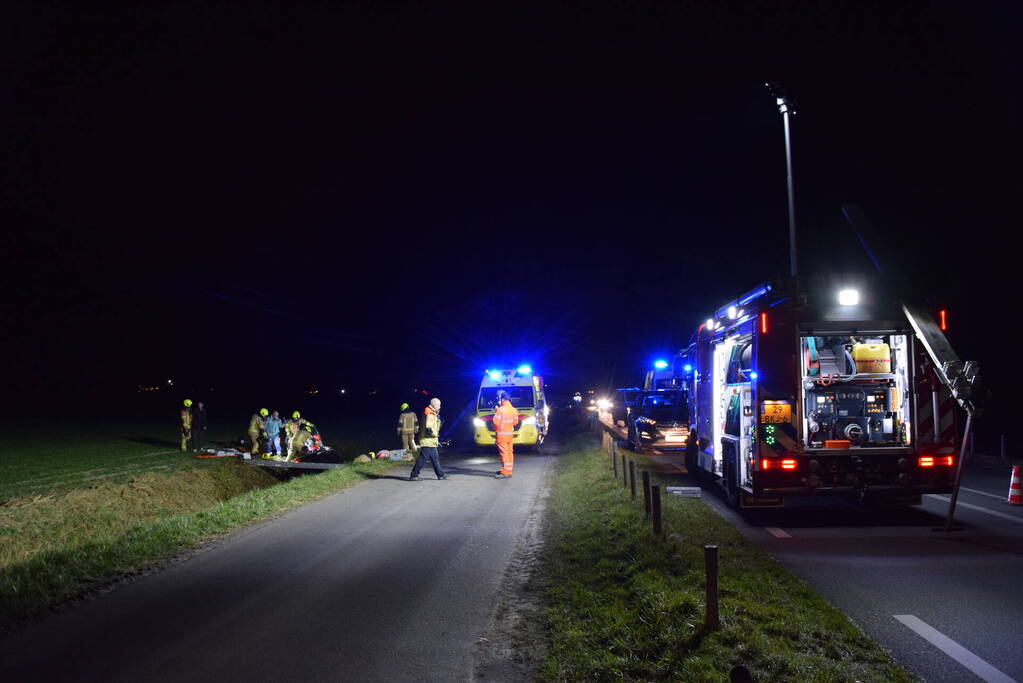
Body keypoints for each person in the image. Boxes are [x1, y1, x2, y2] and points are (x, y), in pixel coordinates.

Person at [409, 397, 445, 481]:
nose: (440, 407)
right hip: (427, 440)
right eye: (439, 405)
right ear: (435, 405)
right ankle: (414, 475)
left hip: (430, 441)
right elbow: (429, 428)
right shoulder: (430, 413)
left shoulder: (431, 412)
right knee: (422, 458)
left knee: (434, 458)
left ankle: (440, 475)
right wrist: (435, 434)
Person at [493, 389, 521, 479]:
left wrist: (496, 412)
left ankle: (505, 472)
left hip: (502, 435)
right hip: (509, 435)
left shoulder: (500, 410)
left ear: (502, 399)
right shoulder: (514, 410)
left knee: (504, 453)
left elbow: (495, 422)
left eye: (499, 398)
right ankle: (508, 470)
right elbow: (515, 422)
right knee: (509, 452)